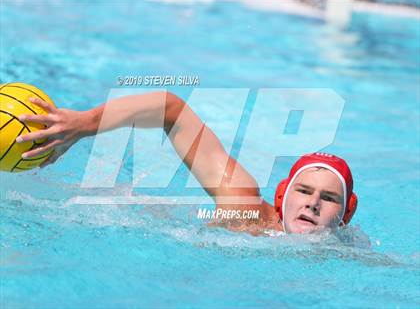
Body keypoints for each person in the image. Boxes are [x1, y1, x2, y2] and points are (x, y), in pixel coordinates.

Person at [16, 92, 357, 235]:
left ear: (346, 215)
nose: (312, 203)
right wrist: (86, 123)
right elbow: (171, 110)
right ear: (283, 197)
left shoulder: (352, 254)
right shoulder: (245, 208)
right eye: (304, 191)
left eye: (329, 198)